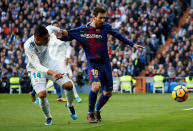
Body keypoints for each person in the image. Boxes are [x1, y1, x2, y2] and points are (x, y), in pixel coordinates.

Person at [58, 7, 144, 123]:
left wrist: (132, 44)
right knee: (96, 86)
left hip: (106, 63)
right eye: (100, 18)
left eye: (104, 18)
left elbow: (118, 35)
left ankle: (97, 110)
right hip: (93, 64)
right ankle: (90, 113)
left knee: (108, 93)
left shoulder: (105, 27)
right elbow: (67, 35)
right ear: (93, 17)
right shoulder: (82, 30)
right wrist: (59, 34)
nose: (103, 20)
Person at [24, 25, 77, 126]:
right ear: (37, 39)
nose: (48, 39)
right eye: (45, 39)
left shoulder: (47, 31)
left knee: (68, 85)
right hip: (35, 69)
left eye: (48, 37)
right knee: (41, 94)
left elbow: (51, 27)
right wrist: (53, 73)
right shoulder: (28, 46)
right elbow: (37, 66)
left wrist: (60, 31)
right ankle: (48, 117)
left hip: (50, 64)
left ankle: (69, 105)